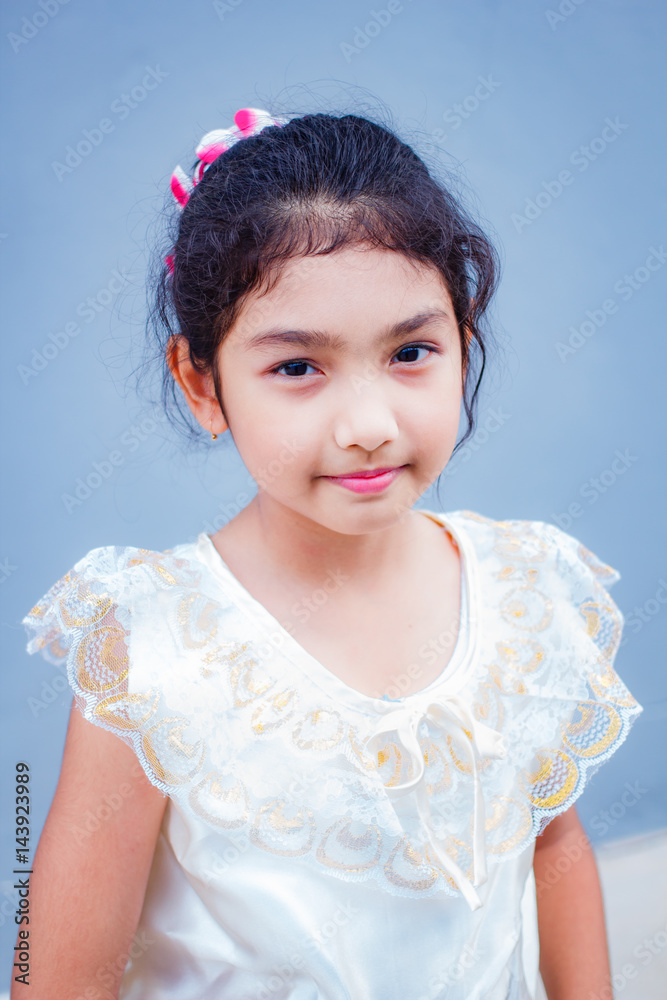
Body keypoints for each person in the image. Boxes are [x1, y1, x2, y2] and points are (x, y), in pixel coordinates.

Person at [15, 105, 643, 1000]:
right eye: (297, 368)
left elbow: (552, 842)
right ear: (201, 383)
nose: (367, 425)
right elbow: (60, 975)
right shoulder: (152, 649)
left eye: (411, 352)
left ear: (463, 347)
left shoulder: (526, 591)